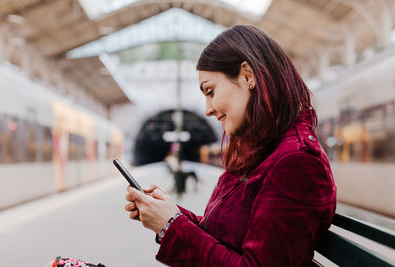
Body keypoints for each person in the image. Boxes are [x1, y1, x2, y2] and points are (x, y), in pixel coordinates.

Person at [124, 25, 337, 266]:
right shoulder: (265, 153)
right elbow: (225, 236)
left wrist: (170, 226)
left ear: (248, 75)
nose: (207, 109)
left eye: (210, 91)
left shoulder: (296, 163)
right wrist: (170, 214)